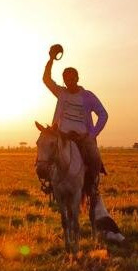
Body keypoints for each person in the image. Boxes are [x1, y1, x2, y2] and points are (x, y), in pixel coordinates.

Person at [42, 47, 108, 196]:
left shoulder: (87, 96)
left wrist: (92, 134)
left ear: (77, 79)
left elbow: (103, 114)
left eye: (72, 79)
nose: (69, 82)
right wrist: (51, 60)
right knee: (45, 152)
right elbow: (46, 79)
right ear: (64, 81)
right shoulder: (61, 93)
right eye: (66, 80)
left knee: (94, 157)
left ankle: (92, 186)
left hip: (82, 137)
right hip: (62, 135)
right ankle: (48, 183)